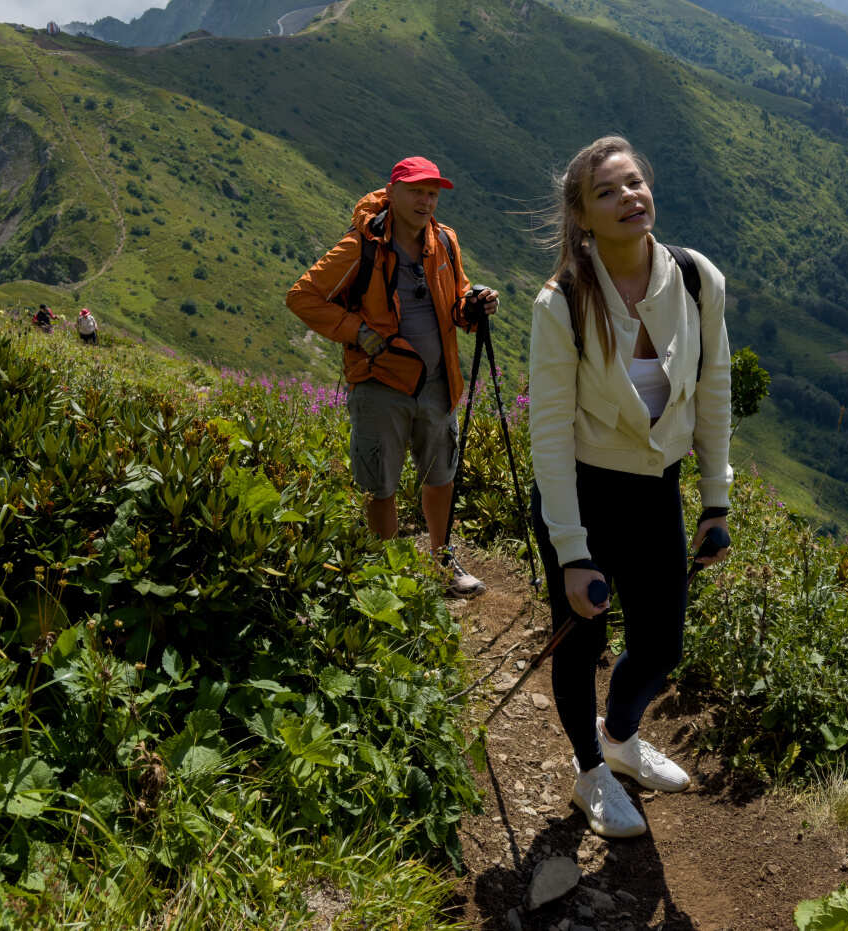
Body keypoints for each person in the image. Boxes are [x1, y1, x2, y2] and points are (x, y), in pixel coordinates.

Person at [527, 135, 733, 839]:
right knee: (580, 642)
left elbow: (714, 391)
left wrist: (715, 499)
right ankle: (591, 772)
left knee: (662, 645)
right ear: (581, 215)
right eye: (608, 191)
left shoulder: (697, 279)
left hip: (656, 491)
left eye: (635, 182)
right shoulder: (561, 303)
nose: (629, 197)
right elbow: (549, 435)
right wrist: (571, 549)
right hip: (584, 492)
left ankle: (618, 732)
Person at [287, 156, 500, 597]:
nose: (426, 201)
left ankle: (442, 562)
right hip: (379, 383)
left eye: (433, 193)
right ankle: (384, 576)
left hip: (438, 382)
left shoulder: (444, 241)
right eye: (417, 191)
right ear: (394, 192)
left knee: (441, 476)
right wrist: (357, 333)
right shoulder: (361, 247)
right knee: (379, 483)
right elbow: (303, 297)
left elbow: (455, 295)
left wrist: (473, 304)